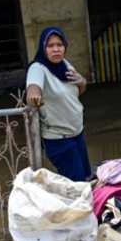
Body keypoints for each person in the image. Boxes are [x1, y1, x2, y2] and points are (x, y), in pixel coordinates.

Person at [26, 27, 91, 182]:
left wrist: (82, 82)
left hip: (77, 133)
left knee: (86, 178)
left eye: (59, 45)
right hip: (59, 139)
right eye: (50, 46)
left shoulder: (65, 65)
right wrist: (34, 95)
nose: (56, 49)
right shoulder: (38, 68)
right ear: (43, 48)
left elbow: (74, 93)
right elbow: (33, 89)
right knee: (77, 184)